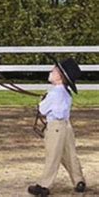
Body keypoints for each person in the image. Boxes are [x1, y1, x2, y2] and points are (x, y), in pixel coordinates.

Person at [28, 58, 86, 196]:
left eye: (54, 70)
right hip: (66, 126)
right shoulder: (66, 93)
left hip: (55, 127)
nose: (51, 72)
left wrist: (42, 101)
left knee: (52, 156)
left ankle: (44, 185)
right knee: (70, 155)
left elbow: (42, 110)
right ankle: (78, 180)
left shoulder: (53, 93)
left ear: (60, 76)